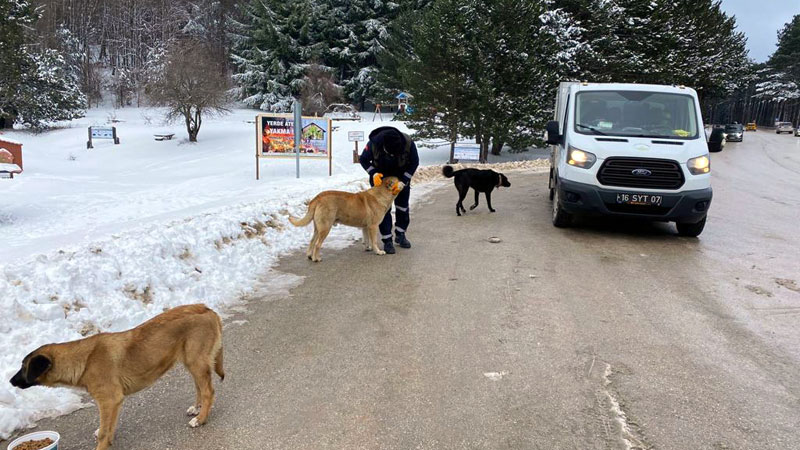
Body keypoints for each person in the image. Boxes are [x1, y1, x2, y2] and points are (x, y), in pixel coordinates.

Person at [359, 126, 419, 254]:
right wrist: (373, 173)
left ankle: (400, 234)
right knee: (381, 210)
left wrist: (404, 180)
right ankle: (387, 240)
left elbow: (414, 162)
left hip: (401, 178)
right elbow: (363, 159)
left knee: (402, 207)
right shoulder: (374, 144)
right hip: (381, 179)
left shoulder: (408, 142)